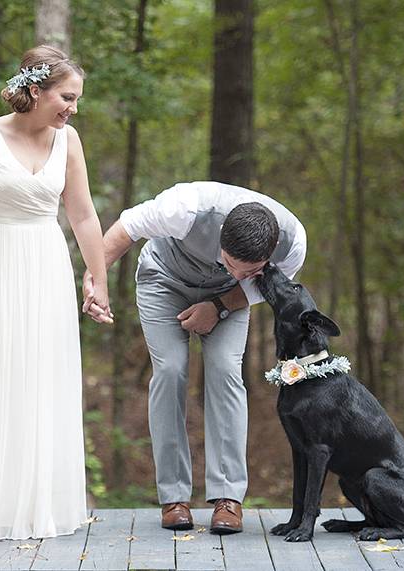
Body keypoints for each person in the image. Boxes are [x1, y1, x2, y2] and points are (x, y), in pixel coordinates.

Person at [0, 45, 112, 540]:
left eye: (77, 100)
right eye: (67, 96)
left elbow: (82, 214)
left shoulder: (69, 141)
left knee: (42, 377)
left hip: (45, 266)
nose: (73, 108)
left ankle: (40, 503)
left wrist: (97, 280)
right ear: (35, 90)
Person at [83, 181, 306, 534]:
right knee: (171, 370)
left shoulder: (293, 242)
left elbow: (251, 288)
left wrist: (219, 304)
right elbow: (127, 226)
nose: (239, 274)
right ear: (221, 241)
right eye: (233, 264)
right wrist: (96, 279)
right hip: (165, 278)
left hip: (229, 299)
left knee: (225, 371)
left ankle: (228, 498)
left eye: (251, 270)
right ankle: (174, 498)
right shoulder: (184, 209)